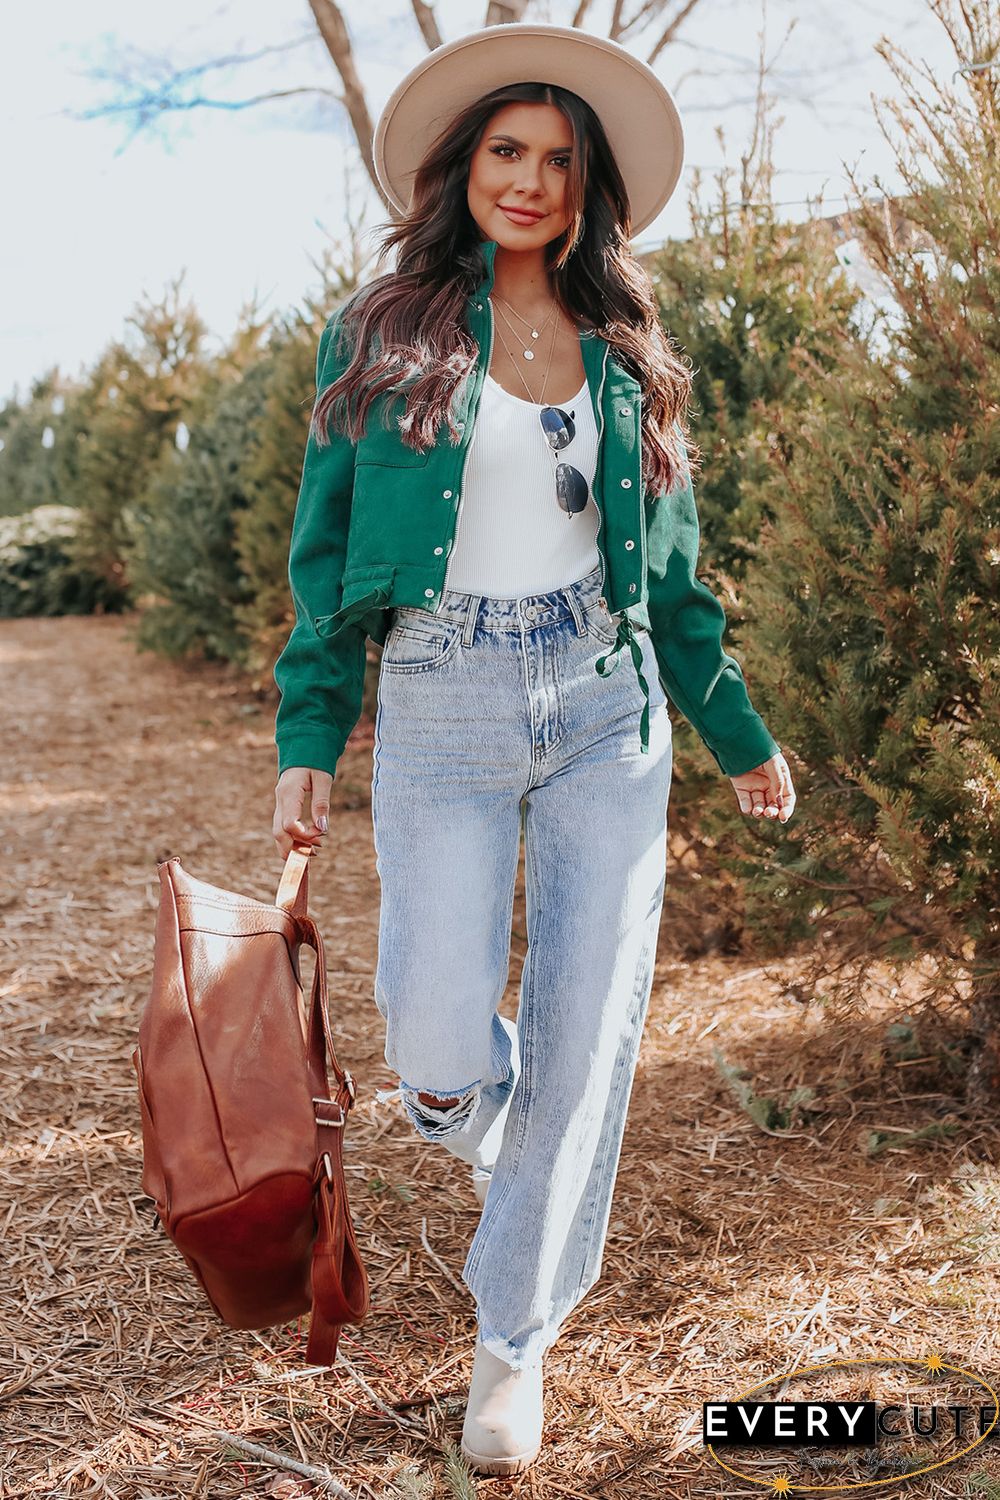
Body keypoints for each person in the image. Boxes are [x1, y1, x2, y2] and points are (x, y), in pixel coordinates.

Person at [271, 22, 796, 1477]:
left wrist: (736, 730)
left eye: (561, 161)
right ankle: (510, 1149)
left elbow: (676, 583)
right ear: (462, 168)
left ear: (590, 189)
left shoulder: (626, 351)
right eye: (509, 151)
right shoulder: (379, 331)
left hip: (605, 700)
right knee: (436, 1036)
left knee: (586, 1026)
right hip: (440, 691)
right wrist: (308, 733)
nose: (532, 181)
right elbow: (324, 563)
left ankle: (515, 1339)